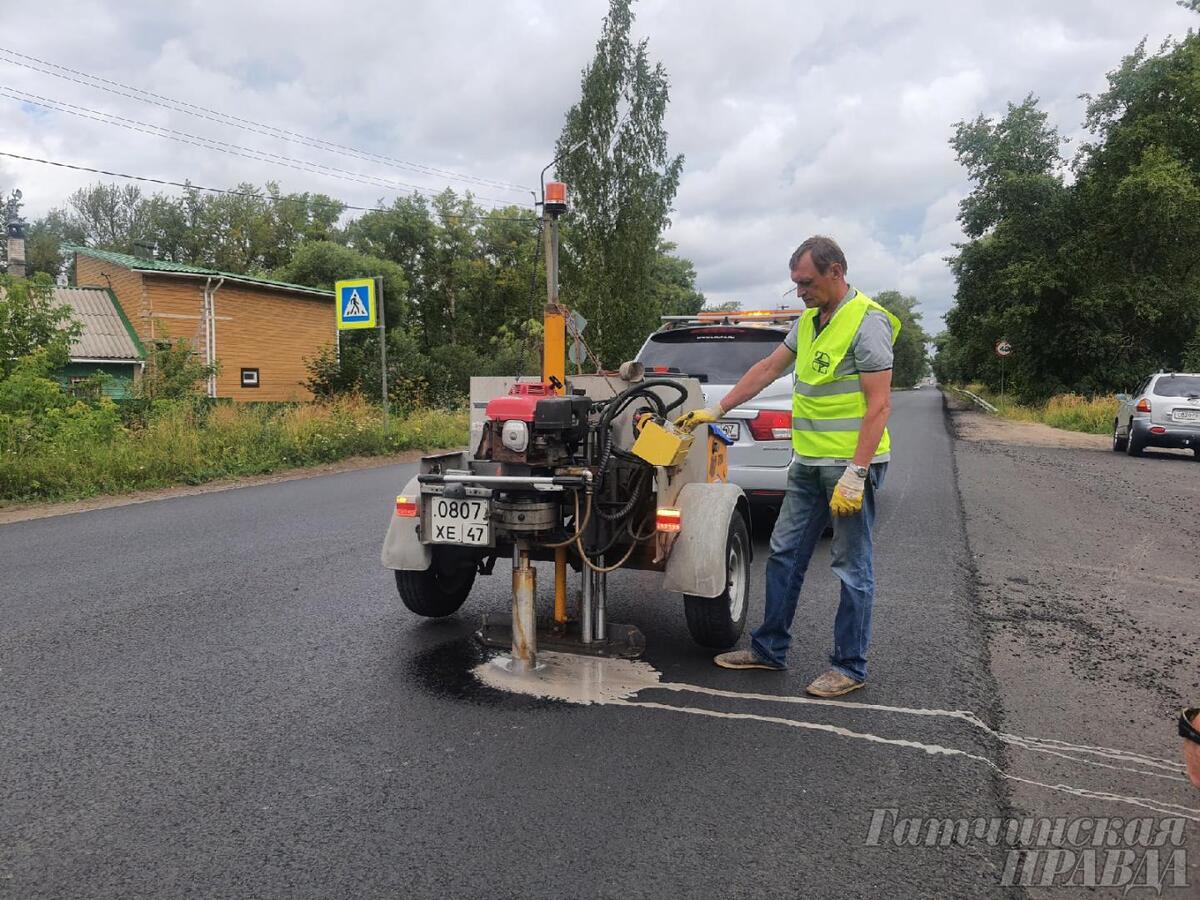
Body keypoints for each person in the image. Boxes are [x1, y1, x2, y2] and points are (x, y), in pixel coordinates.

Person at [678, 236, 900, 697]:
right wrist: (718, 410)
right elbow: (767, 368)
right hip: (807, 463)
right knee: (783, 554)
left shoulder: (869, 321)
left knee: (851, 567)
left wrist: (858, 473)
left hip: (849, 467)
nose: (800, 291)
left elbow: (879, 406)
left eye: (807, 282)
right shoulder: (808, 322)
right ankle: (768, 649)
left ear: (835, 271)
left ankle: (849, 666)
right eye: (796, 284)